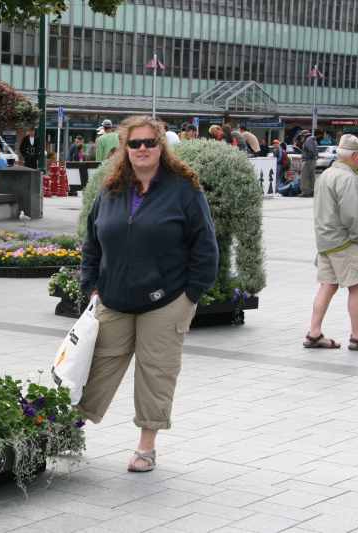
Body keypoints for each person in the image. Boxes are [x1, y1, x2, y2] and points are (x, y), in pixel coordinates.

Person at [79, 115, 218, 473]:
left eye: (149, 143)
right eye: (135, 143)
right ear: (124, 148)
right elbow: (91, 243)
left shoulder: (184, 190)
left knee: (156, 372)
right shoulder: (110, 190)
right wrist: (90, 286)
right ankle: (70, 428)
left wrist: (190, 296)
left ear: (161, 147)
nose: (142, 149)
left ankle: (146, 446)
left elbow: (205, 246)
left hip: (166, 300)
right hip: (113, 298)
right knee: (94, 367)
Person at [304, 134, 358, 351]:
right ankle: (357, 336)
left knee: (327, 285)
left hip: (326, 242)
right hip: (345, 243)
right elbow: (351, 215)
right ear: (355, 156)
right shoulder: (348, 178)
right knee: (356, 287)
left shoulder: (326, 174)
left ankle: (314, 333)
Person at [300, 130, 317, 197]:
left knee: (304, 176)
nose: (301, 137)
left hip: (308, 160)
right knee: (311, 176)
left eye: (302, 136)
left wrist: (308, 157)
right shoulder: (312, 140)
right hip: (312, 160)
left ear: (304, 135)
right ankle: (312, 191)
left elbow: (311, 150)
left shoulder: (308, 140)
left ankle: (305, 192)